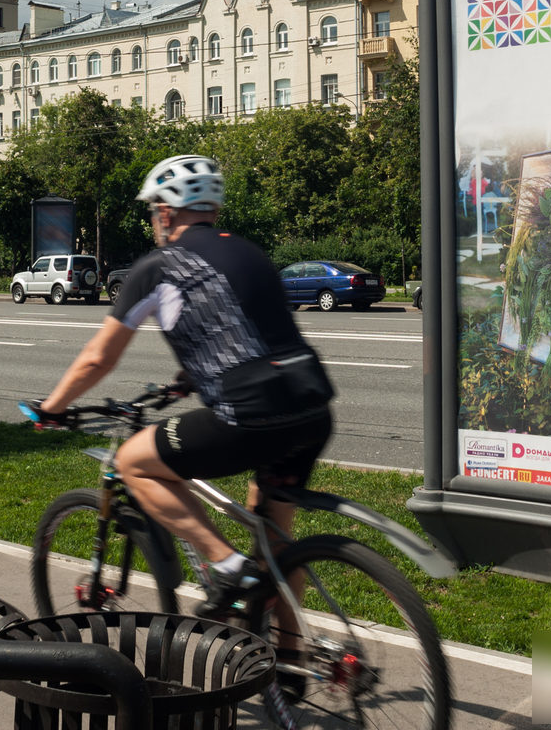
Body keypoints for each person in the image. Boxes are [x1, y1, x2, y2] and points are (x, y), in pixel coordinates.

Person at [30, 154, 336, 618]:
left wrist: (53, 407)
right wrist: (193, 377)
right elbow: (253, 332)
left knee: (133, 462)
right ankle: (291, 655)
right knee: (275, 539)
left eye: (154, 209)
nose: (154, 219)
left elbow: (98, 358)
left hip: (249, 416)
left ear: (167, 211)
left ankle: (228, 566)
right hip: (311, 410)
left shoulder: (159, 266)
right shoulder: (249, 252)